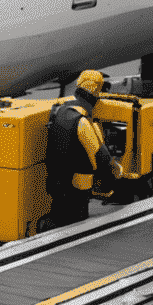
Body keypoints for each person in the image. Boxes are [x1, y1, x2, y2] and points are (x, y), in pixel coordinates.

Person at [45, 69, 121, 229]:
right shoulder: (82, 123)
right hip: (76, 194)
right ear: (94, 97)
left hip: (56, 186)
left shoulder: (60, 111)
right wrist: (114, 178)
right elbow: (101, 158)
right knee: (74, 228)